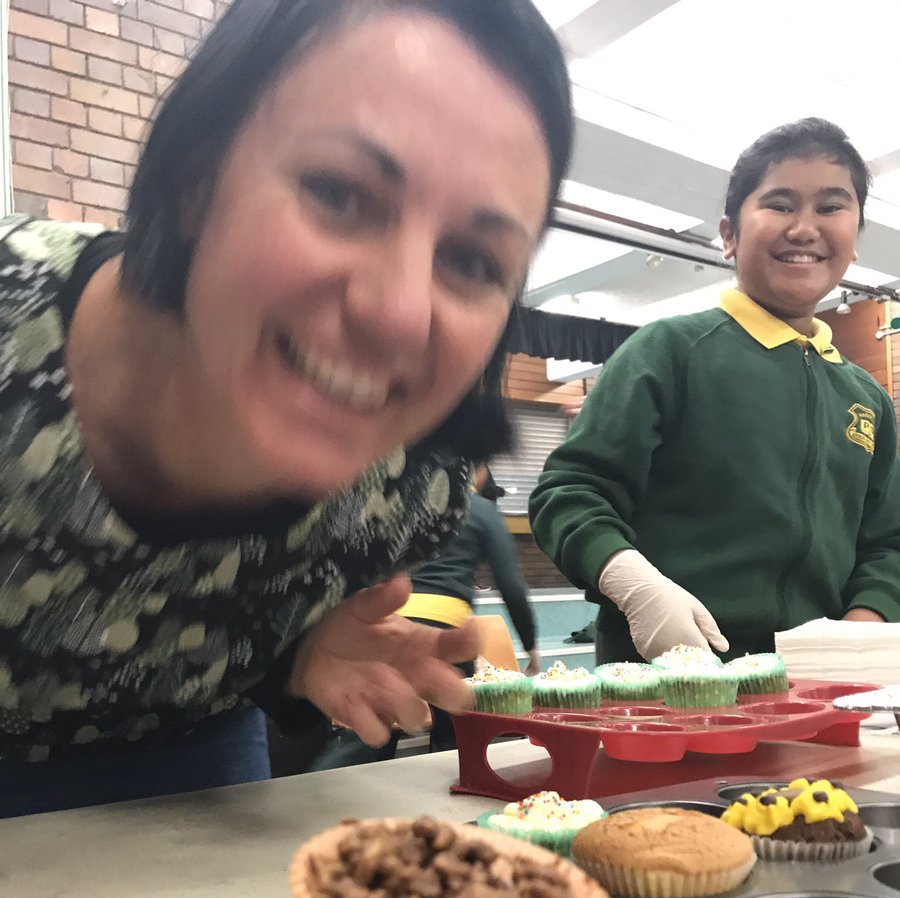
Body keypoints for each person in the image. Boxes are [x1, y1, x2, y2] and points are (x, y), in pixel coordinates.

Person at [0, 0, 573, 815]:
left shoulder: (407, 491)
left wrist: (297, 657)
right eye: (340, 193)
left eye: (474, 260)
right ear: (198, 175)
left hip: (190, 793)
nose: (400, 314)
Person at [530, 118, 900, 666]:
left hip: (815, 692)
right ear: (728, 235)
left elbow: (887, 543)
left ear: (854, 240)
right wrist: (636, 586)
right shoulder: (671, 351)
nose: (804, 228)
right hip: (663, 684)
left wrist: (857, 633)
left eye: (830, 207)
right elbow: (570, 492)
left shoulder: (866, 398)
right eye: (779, 204)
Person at [311, 462, 540, 768]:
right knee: (456, 741)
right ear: (480, 472)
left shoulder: (401, 499)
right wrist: (531, 647)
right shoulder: (482, 510)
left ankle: (322, 791)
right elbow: (511, 586)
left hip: (385, 621)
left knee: (370, 734)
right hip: (445, 633)